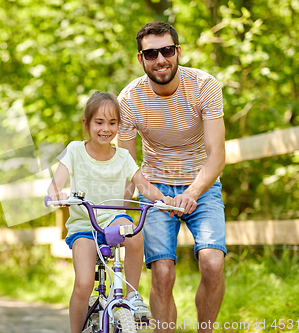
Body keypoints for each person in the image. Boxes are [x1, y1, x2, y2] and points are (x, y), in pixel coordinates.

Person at [117, 22, 226, 332]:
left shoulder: (204, 86)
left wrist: (191, 193)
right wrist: (124, 211)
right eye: (151, 54)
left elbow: (217, 155)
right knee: (162, 272)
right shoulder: (129, 99)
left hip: (201, 185)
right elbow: (127, 164)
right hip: (155, 188)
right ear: (141, 59)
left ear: (178, 52)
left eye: (166, 50)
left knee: (212, 263)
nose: (160, 59)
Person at [47, 91, 177, 333]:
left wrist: (164, 200)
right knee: (84, 283)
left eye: (112, 123)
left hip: (113, 219)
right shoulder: (75, 150)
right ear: (86, 124)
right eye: (99, 122)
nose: (106, 128)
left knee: (135, 233)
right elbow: (56, 184)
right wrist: (56, 194)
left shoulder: (124, 157)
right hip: (85, 226)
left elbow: (144, 186)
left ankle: (131, 296)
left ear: (119, 124)